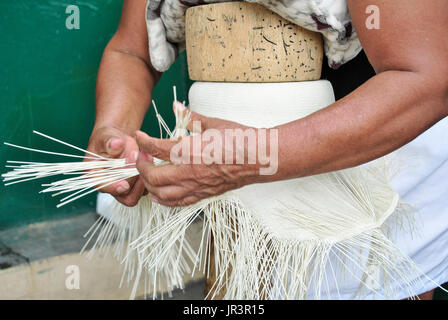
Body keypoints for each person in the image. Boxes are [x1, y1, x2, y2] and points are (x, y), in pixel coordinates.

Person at [87, 0, 448, 299]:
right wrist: (113, 128)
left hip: (375, 166)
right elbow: (131, 50)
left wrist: (253, 158)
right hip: (225, 187)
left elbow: (425, 79)